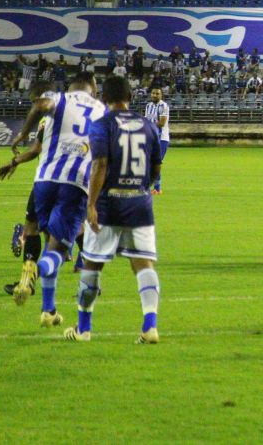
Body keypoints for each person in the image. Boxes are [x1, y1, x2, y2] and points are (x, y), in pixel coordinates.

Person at [62, 76, 163, 343]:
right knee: (143, 264)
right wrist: (141, 187)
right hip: (140, 204)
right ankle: (149, 325)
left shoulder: (102, 125)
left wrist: (91, 203)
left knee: (92, 265)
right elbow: (156, 169)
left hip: (109, 204)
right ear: (131, 96)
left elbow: (100, 165)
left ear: (103, 98)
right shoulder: (149, 126)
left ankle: (83, 329)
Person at [7, 73, 105, 324]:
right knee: (58, 250)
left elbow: (40, 105)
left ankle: (48, 311)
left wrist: (21, 134)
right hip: (75, 183)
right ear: (92, 87)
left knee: (47, 239)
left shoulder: (59, 98)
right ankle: (34, 271)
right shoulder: (102, 111)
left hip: (44, 180)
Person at [0, 80, 54, 296]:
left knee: (31, 228)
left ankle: (27, 281)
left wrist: (15, 161)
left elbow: (36, 150)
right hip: (75, 180)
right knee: (57, 235)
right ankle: (91, 278)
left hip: (47, 179)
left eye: (33, 102)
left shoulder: (47, 120)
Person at [144, 87, 171, 194]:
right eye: (153, 93)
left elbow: (162, 123)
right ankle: (151, 187)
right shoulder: (148, 106)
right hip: (150, 138)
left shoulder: (163, 106)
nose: (155, 95)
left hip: (162, 138)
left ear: (161, 95)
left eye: (157, 94)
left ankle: (157, 188)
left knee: (156, 162)